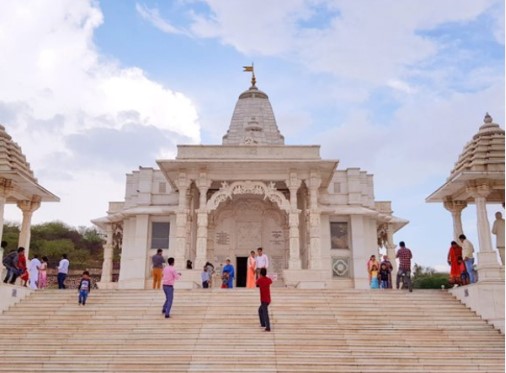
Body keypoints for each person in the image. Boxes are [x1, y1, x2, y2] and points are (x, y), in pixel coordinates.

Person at [256, 267, 272, 332]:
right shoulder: (268, 279)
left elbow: (257, 285)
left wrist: (257, 276)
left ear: (260, 273)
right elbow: (270, 281)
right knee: (260, 310)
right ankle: (263, 324)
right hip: (268, 299)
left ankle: (268, 327)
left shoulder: (260, 280)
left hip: (263, 299)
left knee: (265, 313)